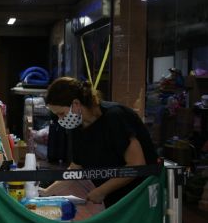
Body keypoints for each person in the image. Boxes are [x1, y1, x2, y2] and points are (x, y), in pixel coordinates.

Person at [45, 77, 158, 208]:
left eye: (61, 113)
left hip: (140, 197)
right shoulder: (78, 127)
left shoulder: (116, 117)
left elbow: (136, 165)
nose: (60, 119)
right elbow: (75, 169)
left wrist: (101, 191)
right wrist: (46, 193)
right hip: (114, 202)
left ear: (76, 104)